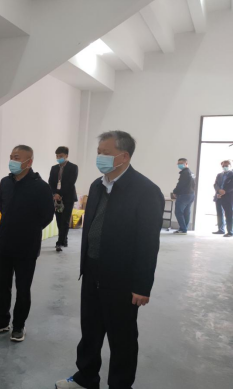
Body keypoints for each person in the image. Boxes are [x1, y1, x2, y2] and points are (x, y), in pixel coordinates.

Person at [56, 131, 165, 390]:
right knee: (90, 331)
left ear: (124, 156)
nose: (99, 157)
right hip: (92, 269)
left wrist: (142, 285)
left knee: (122, 337)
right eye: (98, 152)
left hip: (122, 277)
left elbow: (148, 243)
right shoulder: (97, 185)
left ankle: (120, 385)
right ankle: (85, 378)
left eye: (105, 153)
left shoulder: (146, 191)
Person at [0, 145, 54, 343]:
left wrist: (29, 229)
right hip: (5, 243)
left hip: (27, 246)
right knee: (2, 286)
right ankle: (2, 321)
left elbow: (47, 216)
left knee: (23, 289)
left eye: (17, 157)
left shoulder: (41, 187)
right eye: (11, 157)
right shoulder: (5, 182)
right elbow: (3, 207)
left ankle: (18, 325)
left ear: (29, 162)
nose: (12, 161)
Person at [49, 146, 79, 253]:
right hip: (56, 198)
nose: (58, 158)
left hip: (68, 197)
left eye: (60, 156)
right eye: (57, 156)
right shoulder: (54, 168)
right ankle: (64, 239)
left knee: (65, 220)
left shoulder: (73, 167)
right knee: (58, 219)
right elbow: (51, 182)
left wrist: (60, 194)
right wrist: (55, 194)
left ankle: (59, 242)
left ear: (66, 155)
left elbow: (71, 183)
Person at [172, 158, 196, 235]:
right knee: (186, 212)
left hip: (184, 195)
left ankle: (183, 229)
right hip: (191, 194)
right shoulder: (191, 173)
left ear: (186, 163)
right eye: (178, 163)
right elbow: (194, 184)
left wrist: (175, 192)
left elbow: (180, 184)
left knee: (178, 212)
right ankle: (184, 228)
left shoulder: (184, 173)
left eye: (181, 163)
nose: (179, 165)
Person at [214, 160, 233, 238]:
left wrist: (224, 191)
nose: (225, 167)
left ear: (230, 166)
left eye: (226, 165)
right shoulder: (219, 175)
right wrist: (218, 191)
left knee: (229, 214)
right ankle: (221, 229)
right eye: (223, 166)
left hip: (228, 197)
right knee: (219, 213)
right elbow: (215, 184)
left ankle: (230, 231)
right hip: (218, 196)